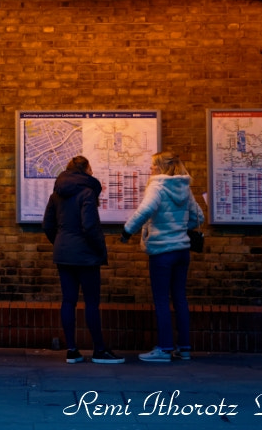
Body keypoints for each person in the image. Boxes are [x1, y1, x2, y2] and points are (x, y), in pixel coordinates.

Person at [120, 151, 206, 363]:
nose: (150, 170)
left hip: (162, 251)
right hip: (182, 251)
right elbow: (199, 217)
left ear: (160, 167)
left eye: (152, 166)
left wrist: (127, 231)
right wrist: (180, 227)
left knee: (161, 299)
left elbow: (145, 209)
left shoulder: (157, 186)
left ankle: (164, 348)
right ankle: (184, 348)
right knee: (180, 298)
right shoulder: (184, 187)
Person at [42, 156, 123, 364]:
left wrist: (61, 243)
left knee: (68, 301)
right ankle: (99, 350)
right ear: (85, 170)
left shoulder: (56, 194)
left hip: (64, 253)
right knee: (91, 303)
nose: (92, 171)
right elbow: (90, 226)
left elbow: (48, 225)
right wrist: (99, 249)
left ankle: (72, 350)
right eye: (91, 167)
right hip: (86, 256)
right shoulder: (87, 192)